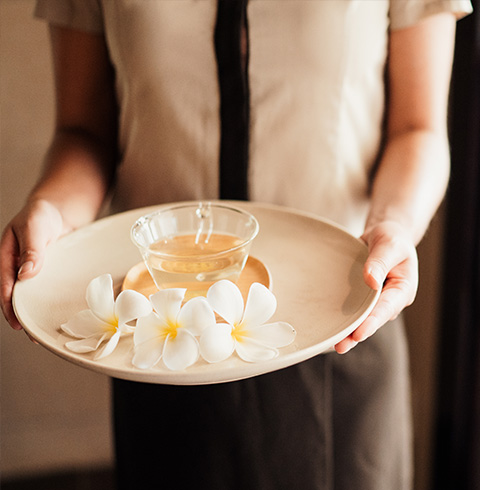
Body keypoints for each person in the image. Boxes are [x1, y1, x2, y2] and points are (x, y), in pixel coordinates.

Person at [0, 1, 473, 489]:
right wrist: (52, 210)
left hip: (344, 329)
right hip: (162, 340)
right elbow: (84, 131)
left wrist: (394, 225)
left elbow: (418, 129)